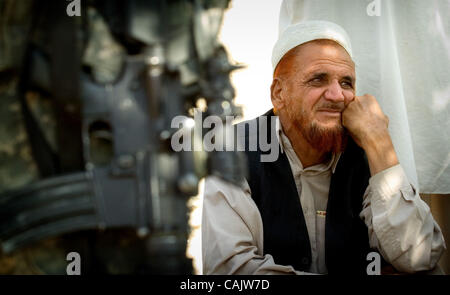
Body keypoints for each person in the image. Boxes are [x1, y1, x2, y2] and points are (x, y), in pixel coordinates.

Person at [201, 20, 446, 275]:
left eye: (346, 83)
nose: (337, 96)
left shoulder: (366, 149)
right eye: (318, 80)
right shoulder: (233, 149)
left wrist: (380, 143)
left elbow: (420, 257)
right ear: (279, 94)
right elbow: (231, 272)